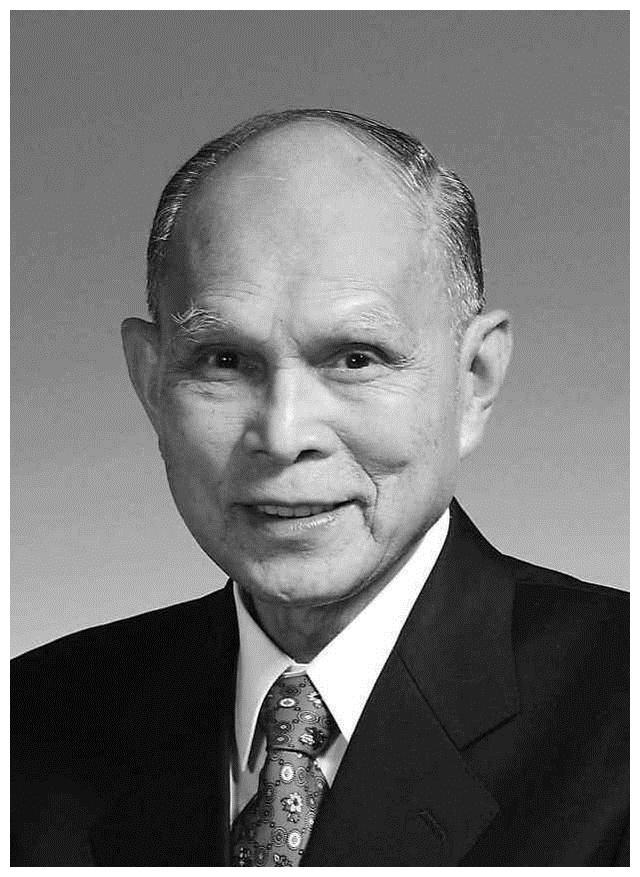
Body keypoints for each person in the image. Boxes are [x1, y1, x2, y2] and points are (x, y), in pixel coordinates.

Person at [11, 109, 628, 866]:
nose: (283, 433)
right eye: (223, 361)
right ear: (150, 382)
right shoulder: (29, 721)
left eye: (355, 358)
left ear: (474, 380)